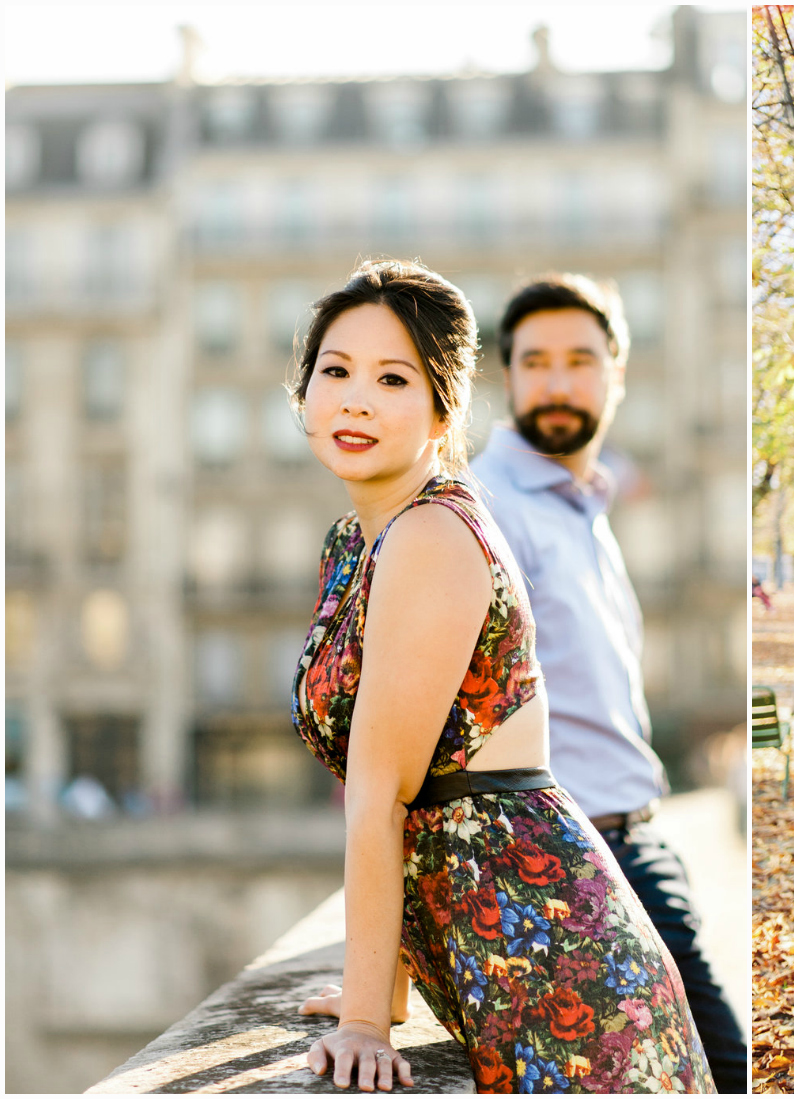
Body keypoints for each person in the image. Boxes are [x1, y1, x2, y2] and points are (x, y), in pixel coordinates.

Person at [287, 259, 713, 1094]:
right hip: (498, 965)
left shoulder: (432, 537)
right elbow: (414, 786)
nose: (355, 398)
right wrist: (387, 986)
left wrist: (367, 1023)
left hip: (558, 975)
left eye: (392, 377)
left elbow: (384, 793)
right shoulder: (361, 538)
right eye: (334, 371)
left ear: (445, 408)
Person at [467, 274, 748, 1093]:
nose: (558, 382)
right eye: (536, 361)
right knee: (722, 1067)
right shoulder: (489, 507)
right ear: (507, 377)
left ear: (616, 376)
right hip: (573, 860)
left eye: (581, 360)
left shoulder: (584, 502)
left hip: (639, 840)